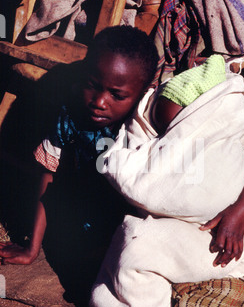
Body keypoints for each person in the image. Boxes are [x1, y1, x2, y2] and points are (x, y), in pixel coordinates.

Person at [88, 54, 244, 307]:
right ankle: (165, 304)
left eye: (179, 127)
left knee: (137, 248)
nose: (174, 136)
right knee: (135, 247)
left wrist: (242, 208)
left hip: (221, 232)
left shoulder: (216, 120)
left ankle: (193, 286)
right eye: (167, 130)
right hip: (164, 230)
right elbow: (136, 174)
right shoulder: (143, 121)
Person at [0, 25, 159, 265]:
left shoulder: (143, 131)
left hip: (125, 228)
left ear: (143, 93)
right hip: (75, 221)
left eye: (117, 95)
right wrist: (32, 248)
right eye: (92, 85)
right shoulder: (71, 118)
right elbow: (48, 176)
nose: (99, 102)